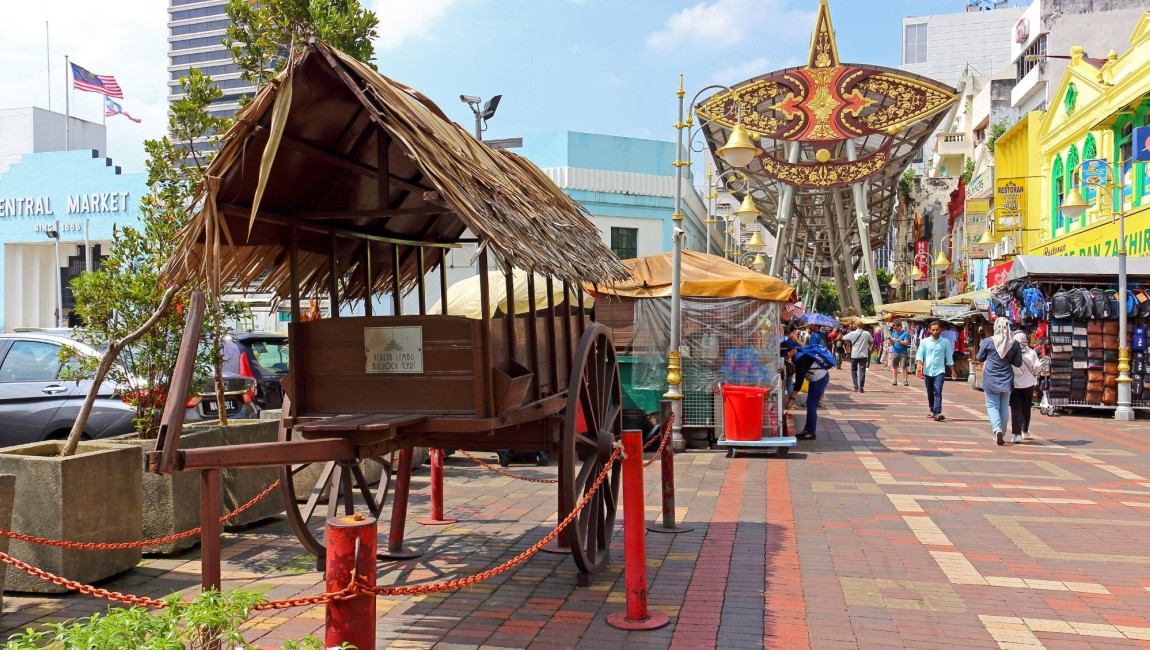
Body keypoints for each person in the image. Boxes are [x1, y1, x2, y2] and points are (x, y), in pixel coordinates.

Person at [976, 318, 1023, 446]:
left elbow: (979, 357)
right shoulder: (1014, 343)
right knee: (1004, 407)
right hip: (1006, 378)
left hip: (991, 378)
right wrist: (1009, 358)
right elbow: (1018, 363)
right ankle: (1002, 431)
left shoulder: (988, 341)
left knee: (992, 405)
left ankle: (997, 429)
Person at [787, 345, 831, 440]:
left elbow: (799, 383)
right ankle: (807, 429)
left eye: (787, 354)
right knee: (810, 404)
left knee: (811, 405)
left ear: (793, 350)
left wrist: (791, 400)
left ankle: (811, 432)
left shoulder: (800, 359)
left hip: (819, 379)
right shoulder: (799, 354)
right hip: (817, 378)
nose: (786, 356)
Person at [916, 321, 956, 421]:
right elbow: (920, 354)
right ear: (929, 330)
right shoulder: (925, 342)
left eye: (937, 330)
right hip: (927, 370)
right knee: (930, 392)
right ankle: (932, 410)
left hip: (939, 370)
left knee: (938, 390)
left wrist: (953, 371)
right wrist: (919, 363)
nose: (935, 332)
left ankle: (937, 413)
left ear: (940, 330)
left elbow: (949, 357)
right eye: (933, 330)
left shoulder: (945, 342)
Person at [1010, 330, 1039, 443]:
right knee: (1026, 407)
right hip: (1028, 383)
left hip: (1014, 383)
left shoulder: (1011, 353)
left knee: (1015, 408)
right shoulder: (1031, 352)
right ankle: (1025, 430)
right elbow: (1038, 368)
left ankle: (1017, 434)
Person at [843, 325, 874, 393]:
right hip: (864, 355)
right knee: (862, 371)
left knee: (853, 370)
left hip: (854, 355)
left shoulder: (852, 333)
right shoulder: (867, 333)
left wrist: (850, 340)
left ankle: (855, 387)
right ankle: (861, 388)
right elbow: (872, 341)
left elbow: (844, 338)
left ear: (856, 326)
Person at [890, 322, 911, 386]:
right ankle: (895, 380)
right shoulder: (893, 333)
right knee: (894, 366)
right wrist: (891, 341)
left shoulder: (905, 334)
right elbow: (891, 343)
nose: (895, 329)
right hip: (895, 351)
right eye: (894, 328)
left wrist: (898, 340)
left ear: (900, 326)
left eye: (896, 328)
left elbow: (906, 343)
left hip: (903, 352)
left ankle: (905, 380)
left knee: (904, 366)